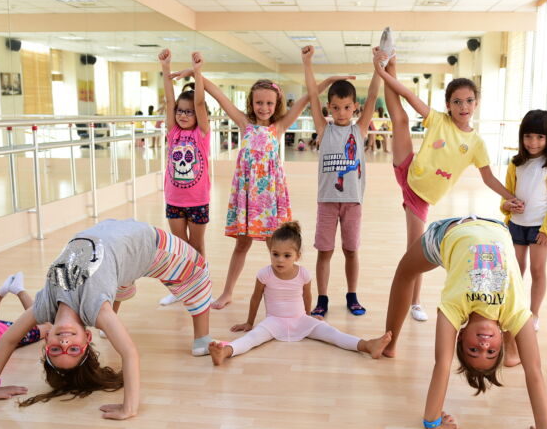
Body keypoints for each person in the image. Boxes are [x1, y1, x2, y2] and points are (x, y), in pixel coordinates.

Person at [0, 219, 212, 420]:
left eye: (56, 351)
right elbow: (129, 353)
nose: (65, 344)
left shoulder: (44, 306)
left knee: (118, 281)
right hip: (151, 245)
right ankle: (203, 338)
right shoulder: (97, 309)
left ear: (47, 339)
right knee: (198, 273)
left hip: (112, 232)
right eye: (73, 350)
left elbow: (9, 339)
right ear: (87, 337)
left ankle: (120, 297)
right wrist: (129, 407)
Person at [382, 216, 547, 429]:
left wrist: (432, 419)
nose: (483, 346)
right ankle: (507, 354)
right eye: (491, 352)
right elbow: (534, 371)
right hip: (496, 226)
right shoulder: (515, 312)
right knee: (522, 354)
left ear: (459, 337)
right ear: (501, 339)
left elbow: (442, 363)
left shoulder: (454, 309)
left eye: (473, 350)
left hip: (448, 232)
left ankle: (389, 344)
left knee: (405, 270)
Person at [176, 67, 345, 310]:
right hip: (247, 196)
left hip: (269, 198)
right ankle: (227, 292)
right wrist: (197, 73)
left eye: (268, 103)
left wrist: (328, 80)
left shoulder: (279, 126)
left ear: (275, 105)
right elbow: (219, 96)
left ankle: (290, 291)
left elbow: (307, 97)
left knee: (277, 246)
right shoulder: (245, 124)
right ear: (251, 103)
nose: (263, 107)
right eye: (258, 103)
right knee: (241, 245)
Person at [373, 44, 520, 323]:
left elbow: (488, 178)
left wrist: (509, 196)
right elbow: (406, 94)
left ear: (475, 103)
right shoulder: (439, 121)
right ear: (448, 105)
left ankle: (391, 60)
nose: (463, 106)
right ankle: (415, 303)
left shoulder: (476, 143)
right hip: (410, 171)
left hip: (421, 194)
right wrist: (381, 71)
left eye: (468, 101)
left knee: (414, 250)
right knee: (401, 118)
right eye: (456, 102)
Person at [208, 222, 391, 365]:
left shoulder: (303, 274)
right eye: (275, 254)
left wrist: (310, 316)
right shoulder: (264, 274)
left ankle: (368, 345)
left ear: (297, 255)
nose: (280, 260)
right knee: (251, 338)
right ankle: (225, 351)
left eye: (287, 255)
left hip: (300, 319)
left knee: (332, 333)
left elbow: (307, 296)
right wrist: (249, 322)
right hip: (274, 321)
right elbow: (255, 298)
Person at [302, 45, 379, 318]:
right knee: (325, 251)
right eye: (335, 107)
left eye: (347, 107)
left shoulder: (359, 129)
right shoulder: (324, 129)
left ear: (354, 108)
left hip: (352, 202)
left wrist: (378, 64)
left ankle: (352, 295)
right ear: (329, 108)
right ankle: (322, 298)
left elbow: (372, 95)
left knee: (350, 251)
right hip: (327, 202)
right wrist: (307, 63)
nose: (341, 111)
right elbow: (312, 94)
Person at [500, 109, 547, 364]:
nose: (534, 143)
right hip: (516, 225)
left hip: (541, 227)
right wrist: (507, 206)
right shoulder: (515, 163)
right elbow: (506, 196)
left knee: (538, 271)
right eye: (528, 136)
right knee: (516, 271)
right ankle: (513, 311)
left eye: (540, 137)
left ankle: (534, 314)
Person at [157, 49, 212, 306]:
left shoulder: (202, 133)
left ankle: (200, 285)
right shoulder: (173, 132)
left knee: (196, 246)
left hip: (197, 200)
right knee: (179, 247)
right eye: (181, 110)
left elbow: (200, 103)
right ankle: (180, 290)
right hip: (175, 200)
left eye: (188, 112)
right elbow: (169, 101)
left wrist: (197, 72)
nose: (183, 114)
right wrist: (166, 68)